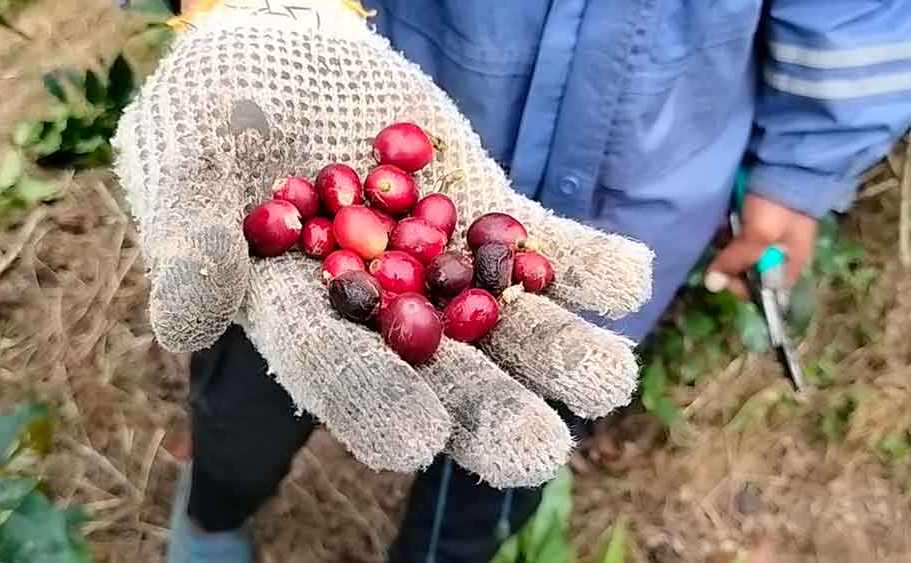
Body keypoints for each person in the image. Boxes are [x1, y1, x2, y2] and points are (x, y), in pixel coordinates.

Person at [124, 1, 911, 562]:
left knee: (514, 440)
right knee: (252, 390)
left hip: (636, 184)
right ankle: (216, 507)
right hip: (355, 92)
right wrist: (257, 14)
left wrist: (802, 163)